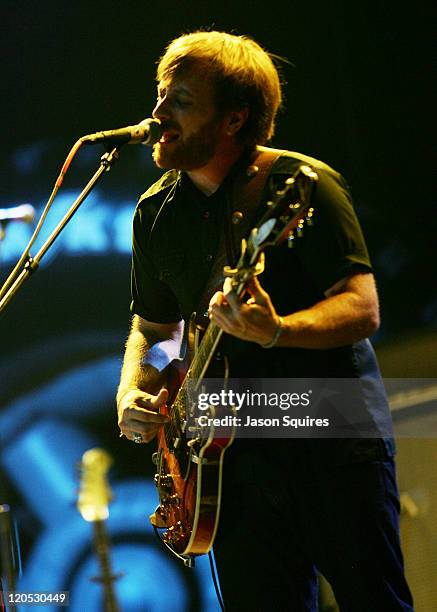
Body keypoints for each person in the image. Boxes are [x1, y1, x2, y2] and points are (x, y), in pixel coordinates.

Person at [116, 31, 413, 611]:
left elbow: (362, 306)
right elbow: (153, 331)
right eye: (159, 95)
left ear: (233, 119)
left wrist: (279, 331)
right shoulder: (154, 214)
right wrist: (134, 386)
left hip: (332, 441)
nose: (157, 114)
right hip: (230, 464)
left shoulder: (302, 185)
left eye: (180, 100)